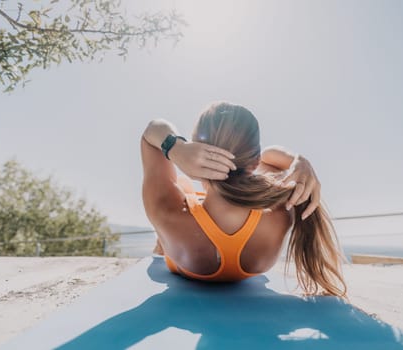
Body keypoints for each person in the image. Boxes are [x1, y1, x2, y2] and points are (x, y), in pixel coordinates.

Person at [141, 101, 346, 297]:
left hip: (180, 241)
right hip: (251, 237)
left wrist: (176, 147)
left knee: (184, 185)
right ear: (255, 162)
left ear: (192, 157)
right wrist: (299, 160)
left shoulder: (167, 213)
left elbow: (150, 134)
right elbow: (269, 156)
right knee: (192, 192)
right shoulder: (281, 211)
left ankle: (161, 242)